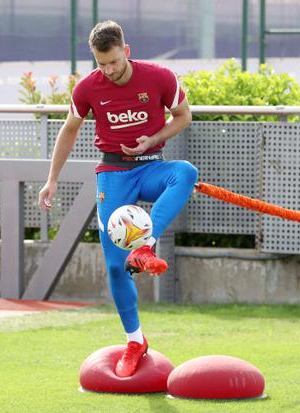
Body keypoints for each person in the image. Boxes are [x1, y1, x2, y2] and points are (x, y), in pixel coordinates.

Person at [38, 21, 198, 377]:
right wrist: (51, 180)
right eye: (100, 63)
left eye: (113, 61)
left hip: (151, 167)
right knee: (114, 265)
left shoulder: (160, 78)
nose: (108, 70)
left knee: (185, 172)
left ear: (126, 51)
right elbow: (69, 129)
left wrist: (150, 139)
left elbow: (184, 117)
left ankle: (146, 244)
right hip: (113, 174)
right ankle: (135, 340)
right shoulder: (88, 88)